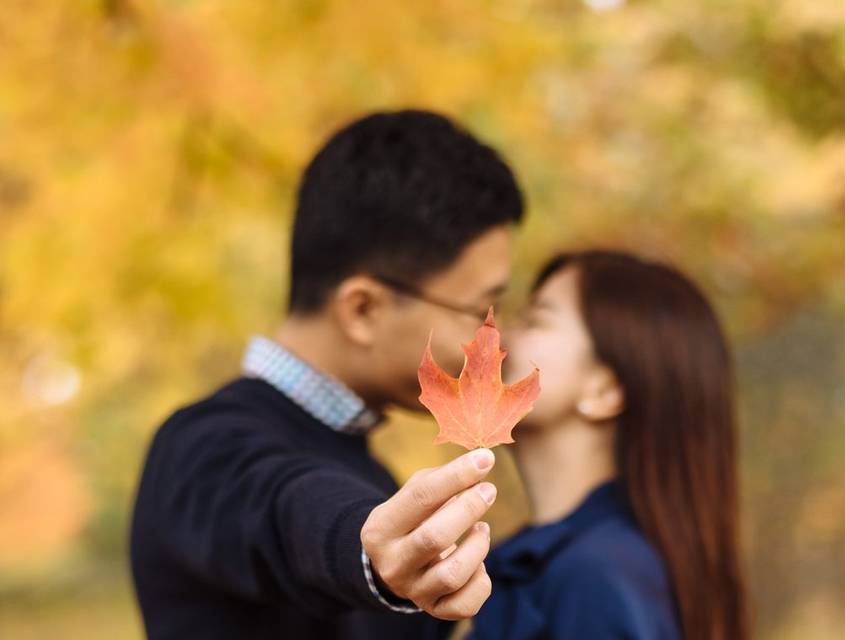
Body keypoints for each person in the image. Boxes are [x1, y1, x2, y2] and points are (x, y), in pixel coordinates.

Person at [129, 110, 526, 639]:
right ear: (363, 309)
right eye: (480, 311)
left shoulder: (373, 478)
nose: (495, 344)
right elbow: (286, 508)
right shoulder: (202, 449)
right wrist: (366, 548)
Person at [468, 250, 750, 640]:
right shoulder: (573, 565)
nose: (500, 336)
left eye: (536, 320)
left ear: (605, 390)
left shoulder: (594, 578)